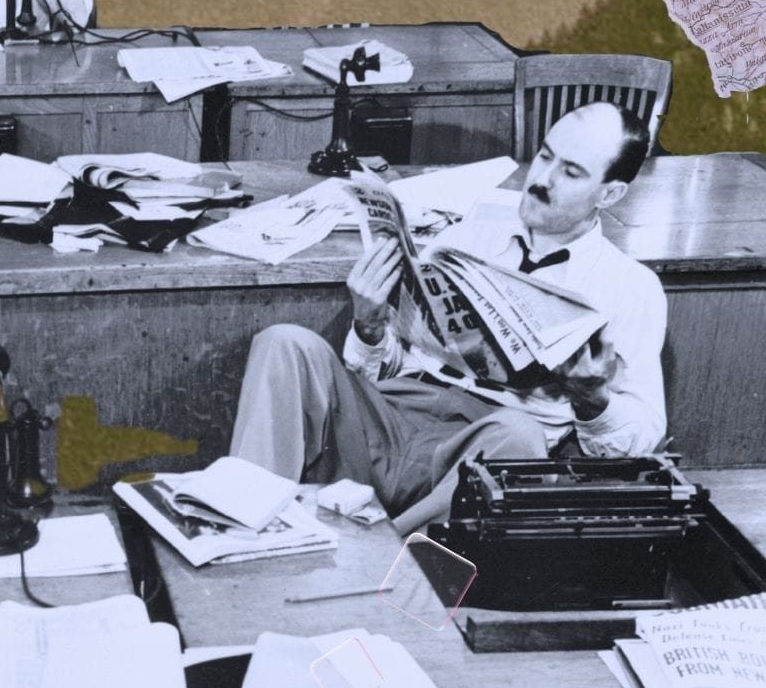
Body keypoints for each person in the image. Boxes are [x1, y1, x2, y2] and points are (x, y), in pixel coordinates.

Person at [229, 101, 667, 534]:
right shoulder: (464, 237)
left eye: (571, 173)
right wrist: (369, 326)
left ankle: (390, 567)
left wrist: (593, 399)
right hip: (393, 416)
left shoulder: (630, 287)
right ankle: (242, 527)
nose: (542, 180)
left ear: (610, 194)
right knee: (284, 342)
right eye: (545, 156)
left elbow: (641, 439)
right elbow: (388, 363)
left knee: (520, 434)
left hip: (485, 445)